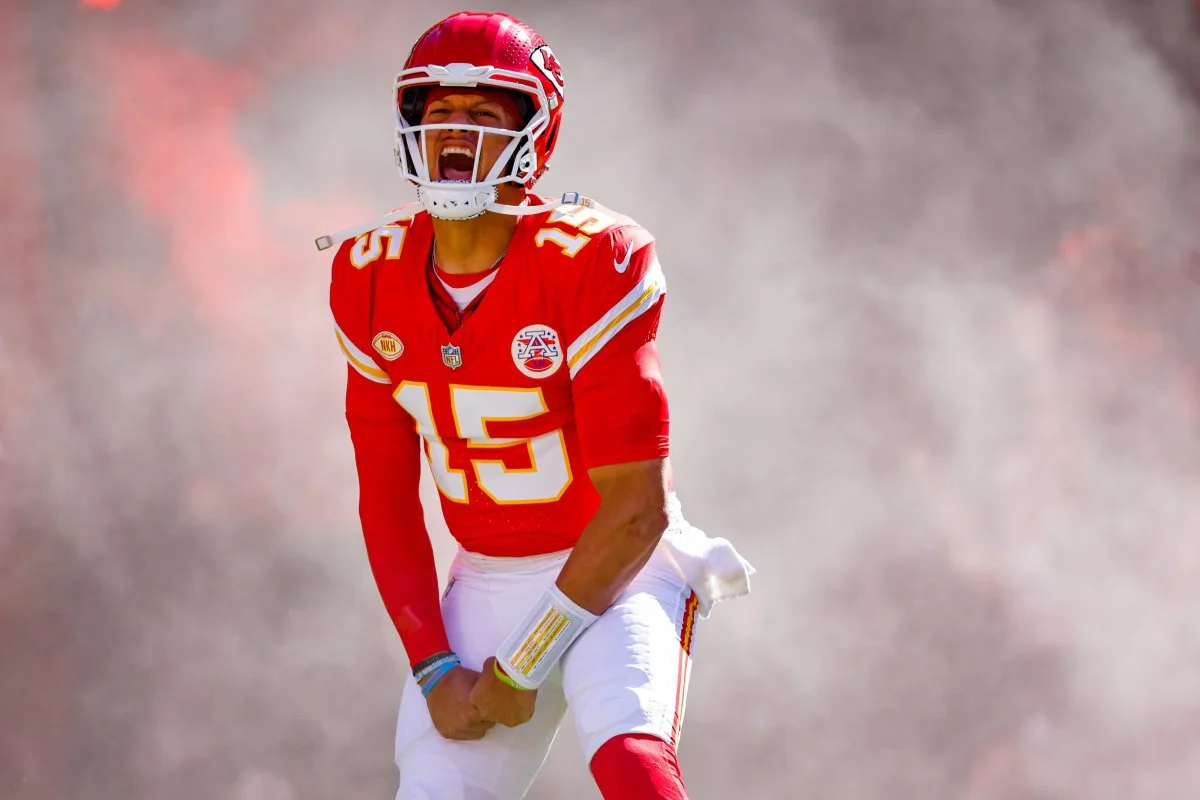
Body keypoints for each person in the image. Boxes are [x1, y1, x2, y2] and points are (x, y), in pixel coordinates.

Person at [324, 11, 754, 800]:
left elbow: (636, 511)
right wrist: (433, 664)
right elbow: (386, 500)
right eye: (441, 112)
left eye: (484, 114)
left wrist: (522, 666)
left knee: (630, 765)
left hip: (614, 571)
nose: (457, 133)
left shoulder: (592, 258)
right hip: (486, 579)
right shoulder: (368, 273)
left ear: (536, 134)